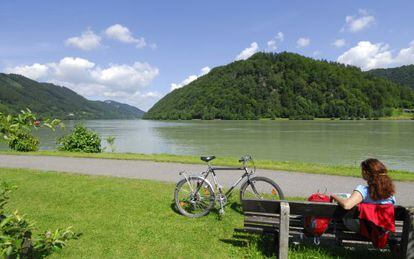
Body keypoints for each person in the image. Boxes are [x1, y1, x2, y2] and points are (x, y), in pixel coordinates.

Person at [330, 158, 396, 234]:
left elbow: (346, 205)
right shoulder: (390, 194)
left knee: (344, 212)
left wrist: (334, 196)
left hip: (365, 228)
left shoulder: (363, 190)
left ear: (365, 172)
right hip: (384, 229)